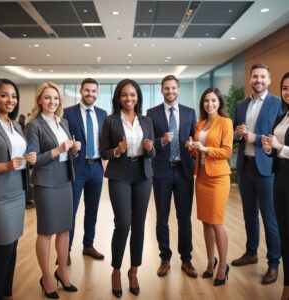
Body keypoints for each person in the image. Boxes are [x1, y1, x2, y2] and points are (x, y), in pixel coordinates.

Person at [25, 82, 80, 299]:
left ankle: (62, 272)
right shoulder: (34, 125)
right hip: (46, 182)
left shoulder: (63, 121)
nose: (52, 102)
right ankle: (46, 276)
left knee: (65, 229)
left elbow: (67, 153)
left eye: (55, 98)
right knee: (46, 231)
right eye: (47, 98)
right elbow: (34, 160)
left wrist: (73, 150)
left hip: (65, 180)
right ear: (39, 100)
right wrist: (59, 149)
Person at [100, 79, 154, 297]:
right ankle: (116, 271)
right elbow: (104, 152)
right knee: (123, 223)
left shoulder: (147, 120)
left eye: (132, 94)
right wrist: (117, 150)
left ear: (138, 97)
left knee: (139, 225)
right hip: (119, 175)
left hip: (143, 175)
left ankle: (133, 271)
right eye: (124, 95)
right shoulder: (110, 121)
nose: (129, 98)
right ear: (118, 97)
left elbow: (152, 152)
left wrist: (150, 148)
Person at [232, 63, 282, 284]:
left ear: (269, 80)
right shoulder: (241, 105)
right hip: (245, 167)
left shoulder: (278, 103)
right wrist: (237, 133)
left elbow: (280, 135)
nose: (258, 80)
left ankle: (273, 264)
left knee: (270, 217)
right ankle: (251, 253)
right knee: (249, 214)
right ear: (250, 79)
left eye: (262, 77)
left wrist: (257, 138)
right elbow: (235, 135)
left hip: (267, 168)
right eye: (255, 76)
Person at [0, 78, 36, 300]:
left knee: (14, 245)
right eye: (4, 95)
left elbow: (19, 154)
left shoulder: (15, 125)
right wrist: (4, 166)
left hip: (18, 191)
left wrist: (29, 158)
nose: (10, 100)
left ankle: (7, 294)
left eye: (14, 96)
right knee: (4, 248)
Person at [146, 75, 197, 278]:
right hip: (162, 172)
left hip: (184, 170)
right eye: (166, 88)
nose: (170, 92)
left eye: (173, 88)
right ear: (161, 90)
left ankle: (186, 259)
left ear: (179, 89)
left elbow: (194, 139)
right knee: (162, 218)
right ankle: (165, 258)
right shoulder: (151, 114)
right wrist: (161, 141)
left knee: (184, 217)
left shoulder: (189, 112)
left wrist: (192, 146)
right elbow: (147, 142)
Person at [187, 88, 233, 286]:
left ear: (219, 102)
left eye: (213, 100)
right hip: (202, 176)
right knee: (205, 222)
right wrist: (192, 149)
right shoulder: (200, 123)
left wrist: (204, 148)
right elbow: (198, 154)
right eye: (206, 101)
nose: (210, 104)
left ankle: (223, 265)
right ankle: (210, 261)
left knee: (216, 222)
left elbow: (227, 151)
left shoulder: (226, 122)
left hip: (219, 178)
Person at [64, 78, 107, 264]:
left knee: (92, 210)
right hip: (76, 167)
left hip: (96, 167)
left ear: (97, 93)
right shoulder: (67, 113)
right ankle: (65, 250)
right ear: (81, 91)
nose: (90, 94)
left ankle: (88, 245)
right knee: (70, 210)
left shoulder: (103, 114)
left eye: (94, 91)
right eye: (87, 90)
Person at [261, 72, 289, 300]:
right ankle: (287, 284)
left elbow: (283, 148)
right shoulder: (283, 116)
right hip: (280, 179)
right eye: (286, 88)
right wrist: (269, 147)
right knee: (284, 233)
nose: (288, 92)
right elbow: (277, 149)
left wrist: (280, 147)